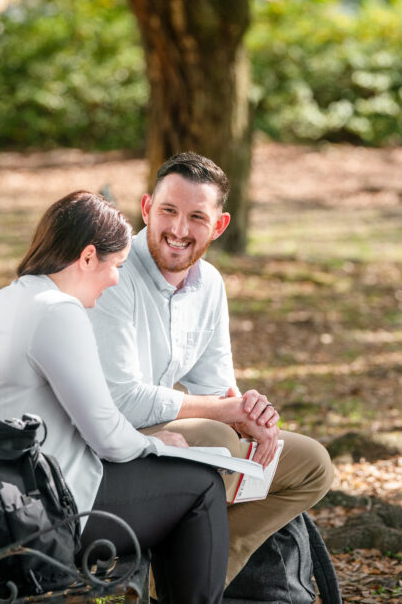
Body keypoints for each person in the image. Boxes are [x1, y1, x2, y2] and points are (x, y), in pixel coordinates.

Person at [0, 190, 228, 604]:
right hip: (33, 514)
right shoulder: (57, 312)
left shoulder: (13, 296)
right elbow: (108, 436)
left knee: (179, 482)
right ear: (86, 257)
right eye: (115, 265)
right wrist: (156, 443)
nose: (117, 278)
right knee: (202, 488)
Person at [88, 152, 335, 584]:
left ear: (219, 226)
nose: (179, 230)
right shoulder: (116, 275)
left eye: (196, 217)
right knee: (219, 439)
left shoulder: (210, 284)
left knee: (312, 464)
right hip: (111, 440)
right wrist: (226, 415)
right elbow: (122, 401)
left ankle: (192, 576)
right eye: (168, 211)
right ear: (146, 208)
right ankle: (145, 571)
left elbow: (218, 387)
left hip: (171, 436)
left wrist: (251, 414)